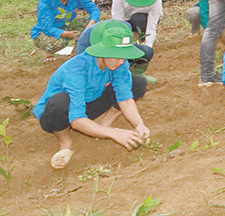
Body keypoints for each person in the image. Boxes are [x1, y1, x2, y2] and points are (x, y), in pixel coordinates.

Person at [33, 22, 149, 170]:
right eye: (117, 57)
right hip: (60, 113)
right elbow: (76, 120)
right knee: (60, 102)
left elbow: (125, 98)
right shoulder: (77, 69)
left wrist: (139, 124)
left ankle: (104, 125)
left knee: (136, 83)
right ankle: (65, 143)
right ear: (102, 51)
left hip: (89, 103)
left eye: (124, 57)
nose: (122, 61)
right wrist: (114, 134)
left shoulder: (119, 63)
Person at [31, 0, 101, 55]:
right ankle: (49, 53)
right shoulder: (46, 2)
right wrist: (69, 34)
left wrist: (91, 24)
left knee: (89, 25)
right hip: (46, 31)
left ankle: (77, 50)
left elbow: (94, 10)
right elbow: (47, 28)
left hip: (67, 24)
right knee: (53, 44)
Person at [109, 0, 161, 74]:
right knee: (127, 25)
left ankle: (140, 41)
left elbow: (151, 25)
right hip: (126, 21)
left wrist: (147, 49)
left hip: (142, 20)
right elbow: (118, 21)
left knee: (138, 18)